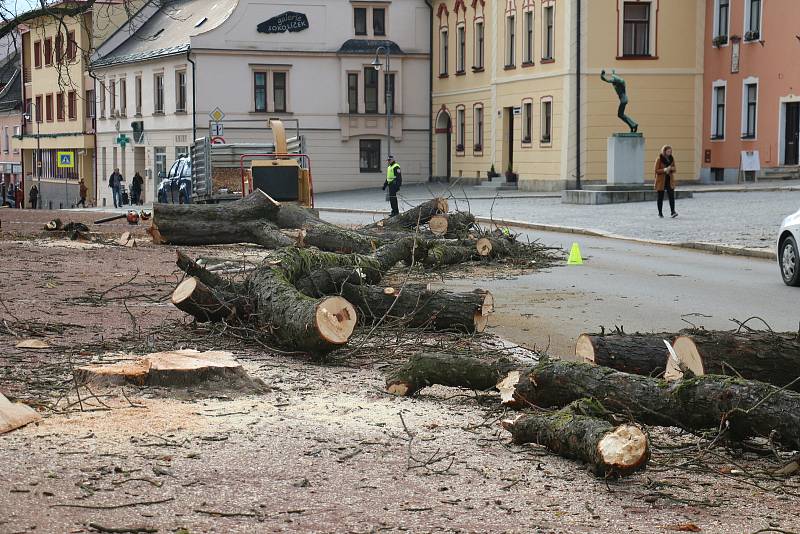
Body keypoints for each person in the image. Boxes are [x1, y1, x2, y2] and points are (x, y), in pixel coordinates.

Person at [654, 145, 678, 218]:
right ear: (664, 151)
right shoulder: (659, 159)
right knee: (660, 197)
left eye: (670, 151)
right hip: (661, 181)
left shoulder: (671, 158)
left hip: (669, 180)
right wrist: (664, 170)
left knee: (671, 196)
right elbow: (656, 170)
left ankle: (673, 212)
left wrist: (670, 169)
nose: (669, 153)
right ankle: (660, 213)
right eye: (668, 151)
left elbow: (675, 169)